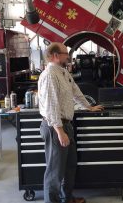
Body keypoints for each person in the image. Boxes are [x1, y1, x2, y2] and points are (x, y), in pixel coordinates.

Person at [38, 42, 104, 203]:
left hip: (66, 124)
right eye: (65, 53)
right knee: (55, 171)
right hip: (55, 127)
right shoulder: (50, 75)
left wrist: (89, 107)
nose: (68, 56)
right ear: (55, 56)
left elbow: (76, 91)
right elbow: (51, 106)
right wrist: (60, 131)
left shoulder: (63, 73)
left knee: (69, 166)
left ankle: (66, 198)